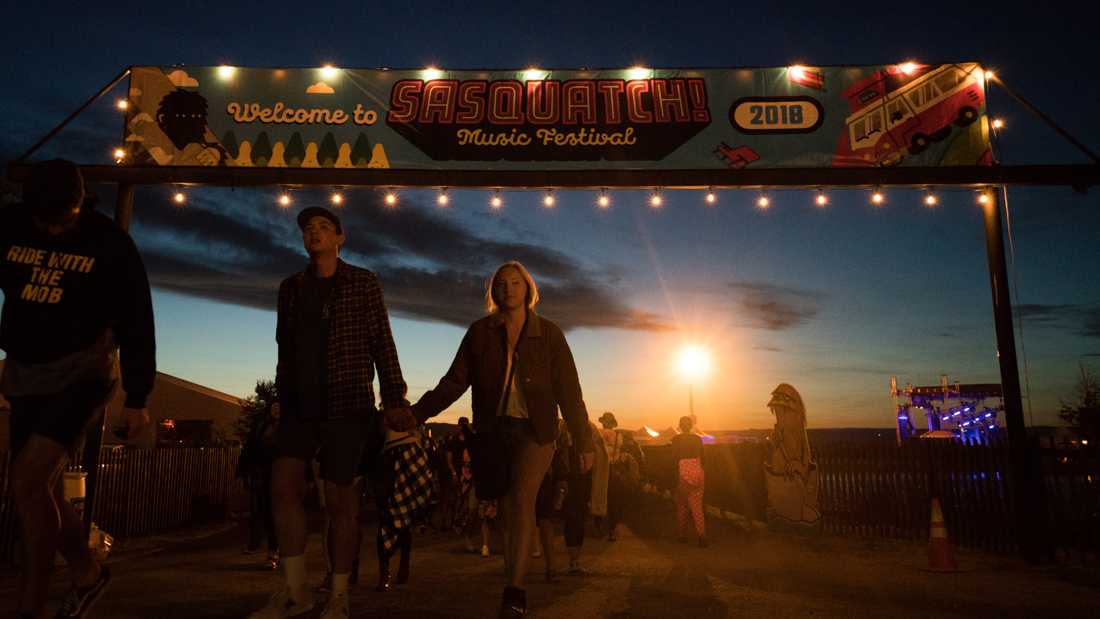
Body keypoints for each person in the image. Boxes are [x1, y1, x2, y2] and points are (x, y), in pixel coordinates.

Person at [386, 260, 594, 618]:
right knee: (507, 509)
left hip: (538, 429)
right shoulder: (481, 332)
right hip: (495, 430)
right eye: (501, 283)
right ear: (493, 292)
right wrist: (418, 413)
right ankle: (512, 576)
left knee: (522, 498)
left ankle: (515, 590)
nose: (508, 288)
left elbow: (569, 391)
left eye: (516, 282)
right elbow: (455, 381)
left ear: (528, 289)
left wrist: (583, 439)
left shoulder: (549, 334)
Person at [1, 159, 156, 619]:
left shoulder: (109, 243)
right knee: (35, 489)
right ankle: (88, 573)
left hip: (84, 374)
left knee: (27, 482)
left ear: (80, 205)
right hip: (26, 373)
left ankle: (31, 608)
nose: (51, 230)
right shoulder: (9, 225)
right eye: (43, 221)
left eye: (62, 220)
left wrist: (138, 397)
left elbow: (137, 321)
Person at [251, 206, 409, 619]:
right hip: (300, 405)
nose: (314, 233)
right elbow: (284, 346)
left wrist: (394, 397)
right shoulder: (291, 287)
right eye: (308, 228)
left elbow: (382, 341)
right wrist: (280, 395)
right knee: (282, 486)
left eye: (323, 227)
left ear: (341, 238)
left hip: (347, 403)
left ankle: (338, 594)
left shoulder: (362, 282)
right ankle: (295, 589)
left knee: (340, 501)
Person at [368, 418, 433, 592]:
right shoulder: (402, 417)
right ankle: (390, 570)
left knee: (399, 523)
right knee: (391, 522)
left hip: (394, 466)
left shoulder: (403, 416)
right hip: (389, 468)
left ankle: (395, 569)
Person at [239, 402, 282, 569]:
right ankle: (267, 548)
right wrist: (244, 471)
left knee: (277, 514)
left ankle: (276, 551)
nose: (277, 410)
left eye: (279, 407)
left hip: (282, 474)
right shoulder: (262, 427)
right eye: (274, 407)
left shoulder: (287, 428)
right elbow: (250, 448)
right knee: (264, 512)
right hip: (264, 475)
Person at [672, 416, 707, 547]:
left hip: (684, 472)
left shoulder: (676, 439)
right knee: (697, 507)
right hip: (698, 471)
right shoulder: (697, 439)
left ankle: (681, 535)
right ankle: (702, 536)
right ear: (691, 426)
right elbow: (703, 458)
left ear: (680, 426)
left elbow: (673, 457)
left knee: (682, 505)